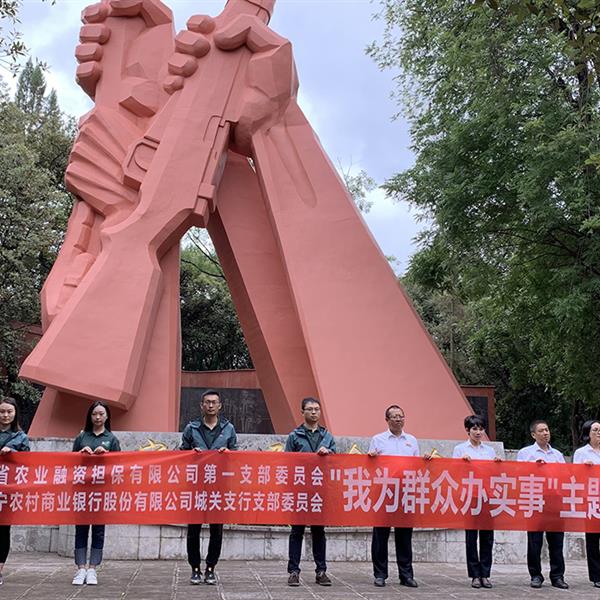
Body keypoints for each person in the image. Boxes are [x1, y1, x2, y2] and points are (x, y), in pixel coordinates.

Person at [181, 389, 237, 585]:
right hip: (196, 486)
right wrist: (191, 453)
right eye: (207, 402)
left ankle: (211, 568)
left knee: (217, 530)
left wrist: (228, 453)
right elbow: (181, 454)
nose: (211, 405)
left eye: (214, 402)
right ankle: (195, 568)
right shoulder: (191, 428)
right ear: (201, 405)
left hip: (218, 486)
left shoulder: (228, 429)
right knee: (193, 529)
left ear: (220, 406)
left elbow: (236, 456)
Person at [285, 397, 335, 587]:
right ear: (302, 412)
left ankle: (321, 571)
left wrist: (328, 454)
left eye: (316, 409)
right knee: (296, 531)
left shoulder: (327, 437)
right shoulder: (294, 436)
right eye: (310, 409)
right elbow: (287, 463)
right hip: (299, 490)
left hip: (319, 491)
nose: (314, 412)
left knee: (318, 531)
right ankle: (293, 571)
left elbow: (336, 463)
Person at [368, 405, 419, 588]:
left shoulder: (412, 440)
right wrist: (371, 457)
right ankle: (380, 574)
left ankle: (406, 575)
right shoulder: (378, 440)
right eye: (394, 416)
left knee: (404, 536)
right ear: (387, 420)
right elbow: (370, 467)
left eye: (401, 416)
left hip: (405, 492)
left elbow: (416, 466)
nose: (398, 419)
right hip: (384, 492)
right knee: (380, 535)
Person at [71, 401, 120, 586]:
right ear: (89, 416)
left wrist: (106, 455)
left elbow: (119, 466)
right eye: (94, 414)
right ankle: (80, 568)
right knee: (81, 529)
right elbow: (70, 463)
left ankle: (92, 568)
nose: (98, 417)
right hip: (83, 491)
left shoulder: (112, 439)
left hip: (101, 491)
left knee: (98, 530)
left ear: (107, 416)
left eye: (101, 414)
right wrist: (81, 454)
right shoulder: (82, 436)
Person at [517, 420, 568, 589]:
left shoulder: (557, 455)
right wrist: (535, 468)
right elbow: (518, 474)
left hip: (555, 500)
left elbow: (565, 476)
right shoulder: (526, 453)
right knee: (534, 541)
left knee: (557, 541)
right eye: (541, 431)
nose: (545, 433)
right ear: (533, 435)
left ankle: (557, 576)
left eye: (547, 429)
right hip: (535, 500)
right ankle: (535, 575)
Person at [452, 415, 502, 589]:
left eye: (481, 428)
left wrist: (497, 464)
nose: (478, 432)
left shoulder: (489, 451)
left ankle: (485, 574)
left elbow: (495, 474)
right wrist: (462, 463)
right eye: (475, 428)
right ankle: (474, 574)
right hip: (470, 496)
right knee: (471, 537)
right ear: (467, 430)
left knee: (487, 537)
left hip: (487, 496)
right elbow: (453, 472)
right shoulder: (460, 449)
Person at [0, 397, 30, 586]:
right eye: (2, 411)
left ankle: (0, 569)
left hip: (7, 492)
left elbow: (29, 463)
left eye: (9, 411)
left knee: (3, 531)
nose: (5, 415)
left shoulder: (21, 437)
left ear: (15, 413)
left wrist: (14, 455)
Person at [573, 419, 600, 588]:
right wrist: (584, 468)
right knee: (593, 539)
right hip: (591, 500)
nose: (599, 432)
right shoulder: (581, 453)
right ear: (587, 433)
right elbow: (575, 476)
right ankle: (597, 575)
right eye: (595, 430)